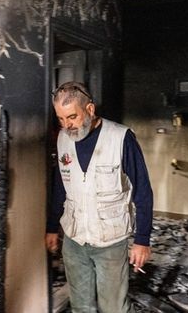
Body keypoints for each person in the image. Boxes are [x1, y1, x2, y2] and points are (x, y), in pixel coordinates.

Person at [45, 81, 153, 313]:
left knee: (114, 308)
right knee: (81, 306)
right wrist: (52, 227)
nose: (66, 125)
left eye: (72, 117)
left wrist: (142, 240)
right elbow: (60, 187)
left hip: (110, 241)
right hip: (74, 240)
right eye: (61, 119)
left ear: (90, 109)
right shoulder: (63, 139)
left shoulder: (121, 138)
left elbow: (143, 190)